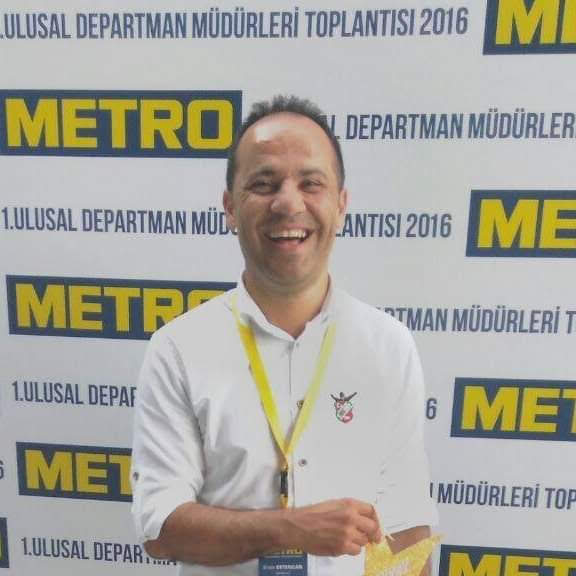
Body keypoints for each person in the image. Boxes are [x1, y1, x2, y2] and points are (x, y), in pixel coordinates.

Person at [131, 95, 438, 576]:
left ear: (341, 205)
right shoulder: (178, 349)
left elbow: (407, 523)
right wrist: (292, 529)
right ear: (230, 208)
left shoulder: (388, 346)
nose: (289, 203)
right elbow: (160, 529)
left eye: (311, 183)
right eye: (264, 184)